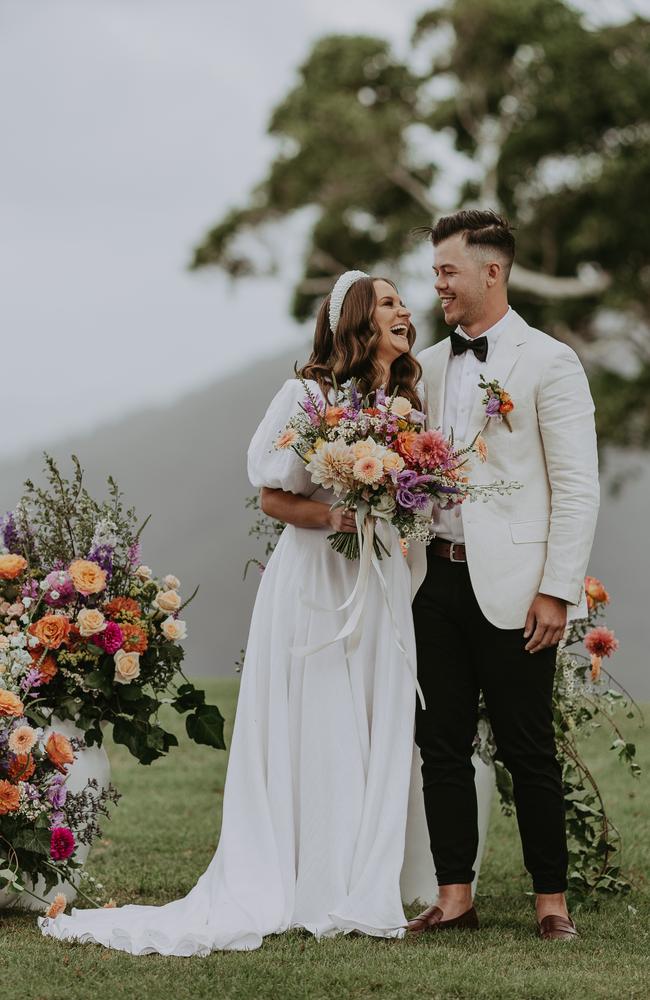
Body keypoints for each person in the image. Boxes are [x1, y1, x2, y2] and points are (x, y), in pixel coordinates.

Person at [39, 272, 429, 955]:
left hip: (379, 578)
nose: (405, 310)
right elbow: (274, 499)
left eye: (403, 301)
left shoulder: (404, 409)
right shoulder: (305, 397)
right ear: (360, 320)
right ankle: (306, 880)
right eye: (390, 302)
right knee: (320, 713)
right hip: (316, 577)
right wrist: (343, 513)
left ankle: (357, 879)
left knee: (374, 713)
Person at [406, 210, 599, 941]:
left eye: (448, 272)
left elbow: (577, 486)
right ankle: (454, 896)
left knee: (528, 746)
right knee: (441, 743)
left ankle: (552, 903)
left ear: (493, 271)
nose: (439, 286)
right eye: (435, 274)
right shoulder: (424, 365)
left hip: (520, 587)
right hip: (436, 582)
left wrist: (558, 590)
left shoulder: (549, 361)